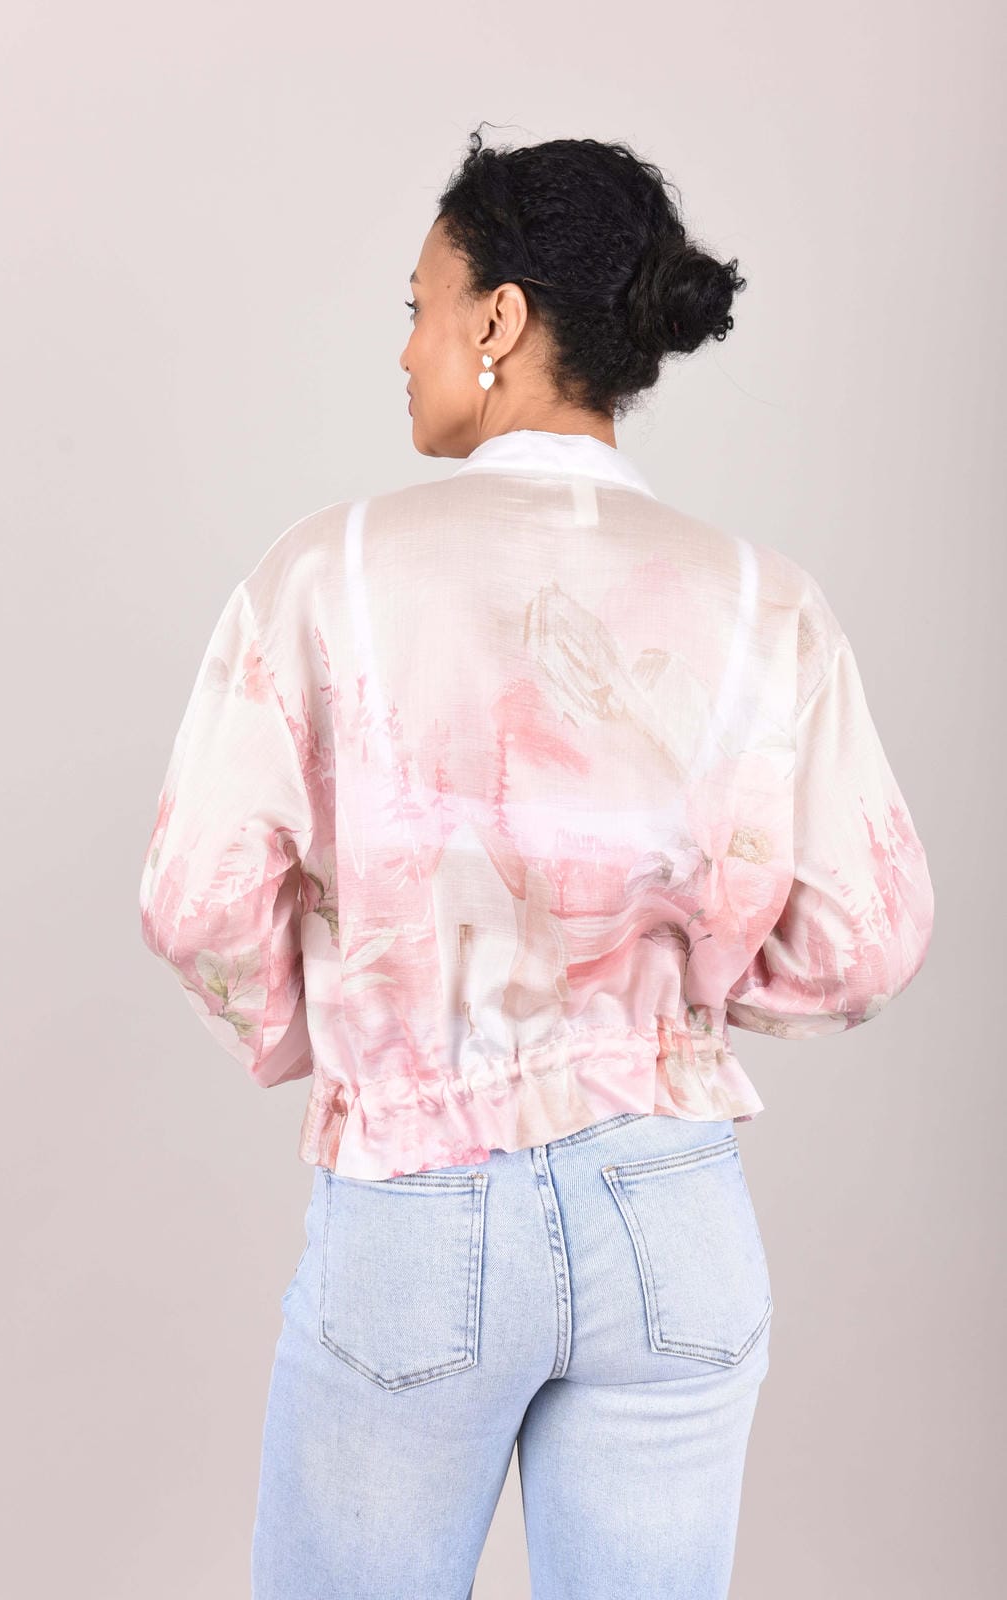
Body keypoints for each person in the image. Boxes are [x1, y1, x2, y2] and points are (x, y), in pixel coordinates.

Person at [138, 128, 935, 1599]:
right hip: (673, 1209)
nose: (406, 347)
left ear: (497, 319)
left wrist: (352, 1029)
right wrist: (677, 1005)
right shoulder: (763, 599)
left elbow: (196, 902)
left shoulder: (328, 573)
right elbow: (868, 937)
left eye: (420, 305)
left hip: (416, 1198)